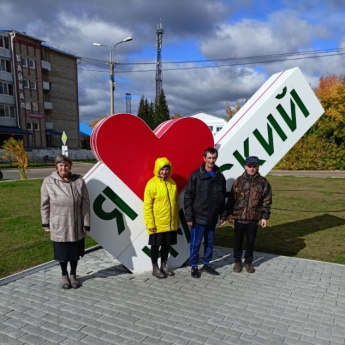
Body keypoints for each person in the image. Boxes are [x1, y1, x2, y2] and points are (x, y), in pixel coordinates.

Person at [41, 154, 90, 289]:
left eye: (66, 165)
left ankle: (73, 275)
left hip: (75, 223)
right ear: (57, 166)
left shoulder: (79, 181)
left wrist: (86, 223)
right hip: (59, 223)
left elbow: (86, 203)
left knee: (74, 252)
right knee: (62, 252)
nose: (64, 168)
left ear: (70, 166)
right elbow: (44, 204)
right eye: (61, 165)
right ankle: (64, 275)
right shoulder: (49, 181)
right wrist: (45, 223)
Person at [184, 147, 227, 278]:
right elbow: (188, 197)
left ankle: (207, 264)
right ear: (204, 159)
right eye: (209, 158)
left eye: (214, 158)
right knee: (196, 243)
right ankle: (194, 266)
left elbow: (222, 197)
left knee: (210, 243)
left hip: (212, 217)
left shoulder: (220, 177)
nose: (211, 160)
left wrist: (223, 215)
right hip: (198, 217)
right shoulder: (196, 175)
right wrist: (189, 216)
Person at [227, 156, 272, 273]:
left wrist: (264, 217)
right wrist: (230, 213)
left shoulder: (263, 182)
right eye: (250, 166)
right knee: (237, 241)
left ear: (258, 167)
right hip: (239, 217)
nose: (252, 169)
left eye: (254, 166)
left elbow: (266, 200)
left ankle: (248, 262)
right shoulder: (238, 181)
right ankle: (237, 261)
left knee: (250, 242)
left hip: (253, 218)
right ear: (245, 166)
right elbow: (232, 198)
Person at [144, 157, 179, 279]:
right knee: (155, 246)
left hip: (170, 222)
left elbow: (175, 203)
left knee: (166, 245)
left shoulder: (172, 183)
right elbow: (147, 207)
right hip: (157, 223)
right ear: (157, 169)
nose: (164, 172)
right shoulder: (151, 184)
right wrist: (150, 224)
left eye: (166, 169)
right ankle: (155, 268)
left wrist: (176, 220)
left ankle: (164, 265)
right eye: (162, 169)